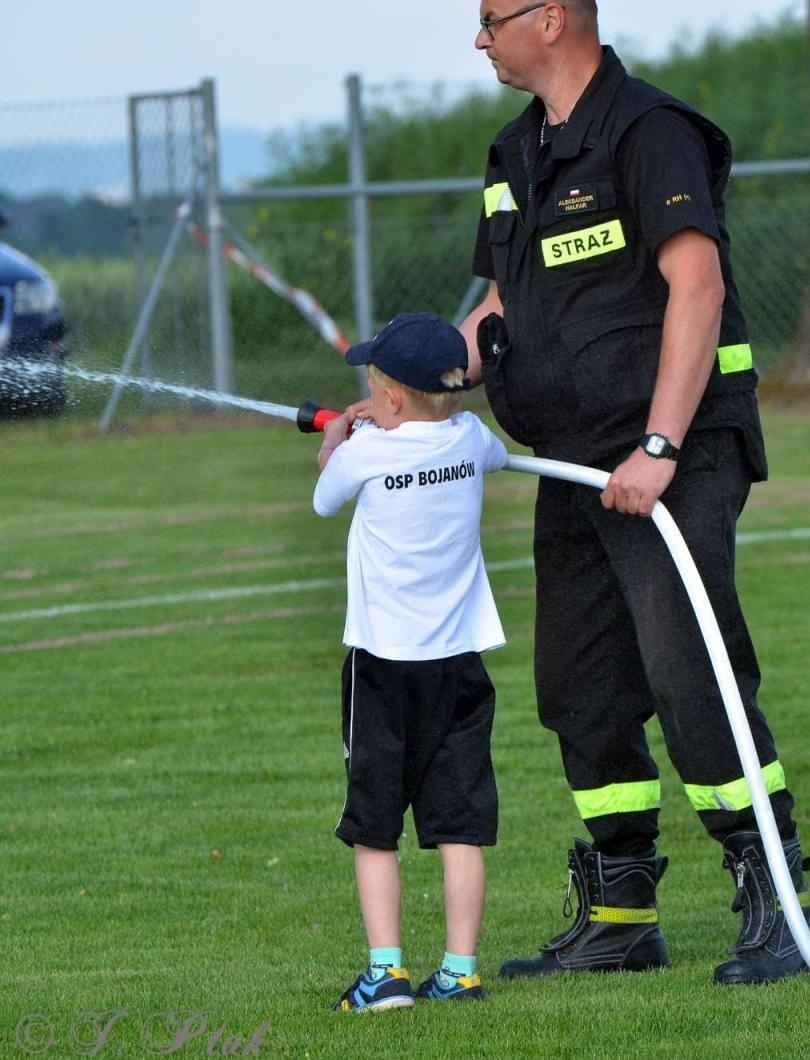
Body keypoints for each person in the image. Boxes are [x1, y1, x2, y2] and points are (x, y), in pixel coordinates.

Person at [459, 0, 810, 985]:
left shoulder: (649, 132)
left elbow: (695, 288)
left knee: (689, 674)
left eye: (490, 17)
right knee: (577, 688)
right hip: (572, 460)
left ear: (550, 19)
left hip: (675, 453)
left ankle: (777, 899)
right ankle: (621, 911)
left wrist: (661, 442)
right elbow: (498, 305)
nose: (476, 38)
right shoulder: (513, 152)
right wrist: (402, 393)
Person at [313, 313, 510, 1010]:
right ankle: (461, 970)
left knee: (374, 828)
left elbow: (324, 494)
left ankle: (386, 973)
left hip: (383, 671)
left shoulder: (363, 455)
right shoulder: (472, 436)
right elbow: (484, 452)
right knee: (459, 826)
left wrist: (341, 435)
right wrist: (399, 421)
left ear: (389, 398)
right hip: (458, 668)